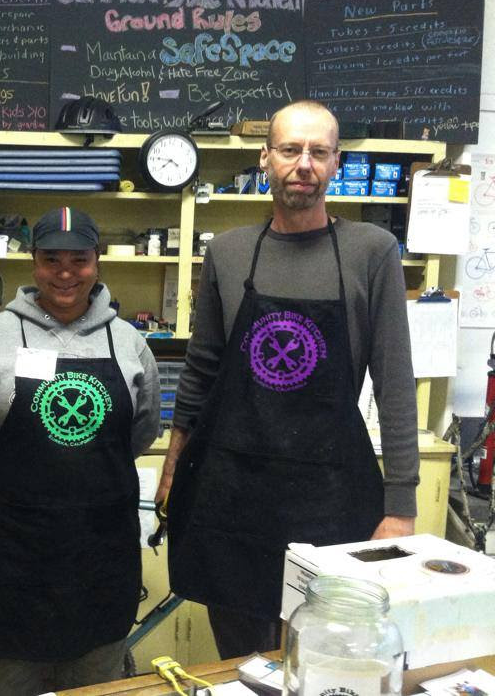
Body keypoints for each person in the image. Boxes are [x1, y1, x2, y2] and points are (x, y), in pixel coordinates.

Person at [156, 100, 419, 659]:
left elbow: (395, 380)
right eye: (291, 149)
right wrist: (173, 466)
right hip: (233, 492)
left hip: (331, 494)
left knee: (321, 656)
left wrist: (400, 506)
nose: (304, 164)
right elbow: (201, 371)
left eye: (319, 152)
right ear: (265, 158)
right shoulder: (228, 253)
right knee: (242, 661)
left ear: (336, 161)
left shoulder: (372, 252)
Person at [0, 207, 161, 696]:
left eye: (79, 260)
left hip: (100, 562)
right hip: (12, 564)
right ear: (33, 262)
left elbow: (141, 432)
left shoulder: (129, 343)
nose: (65, 273)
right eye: (51, 260)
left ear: (97, 262)